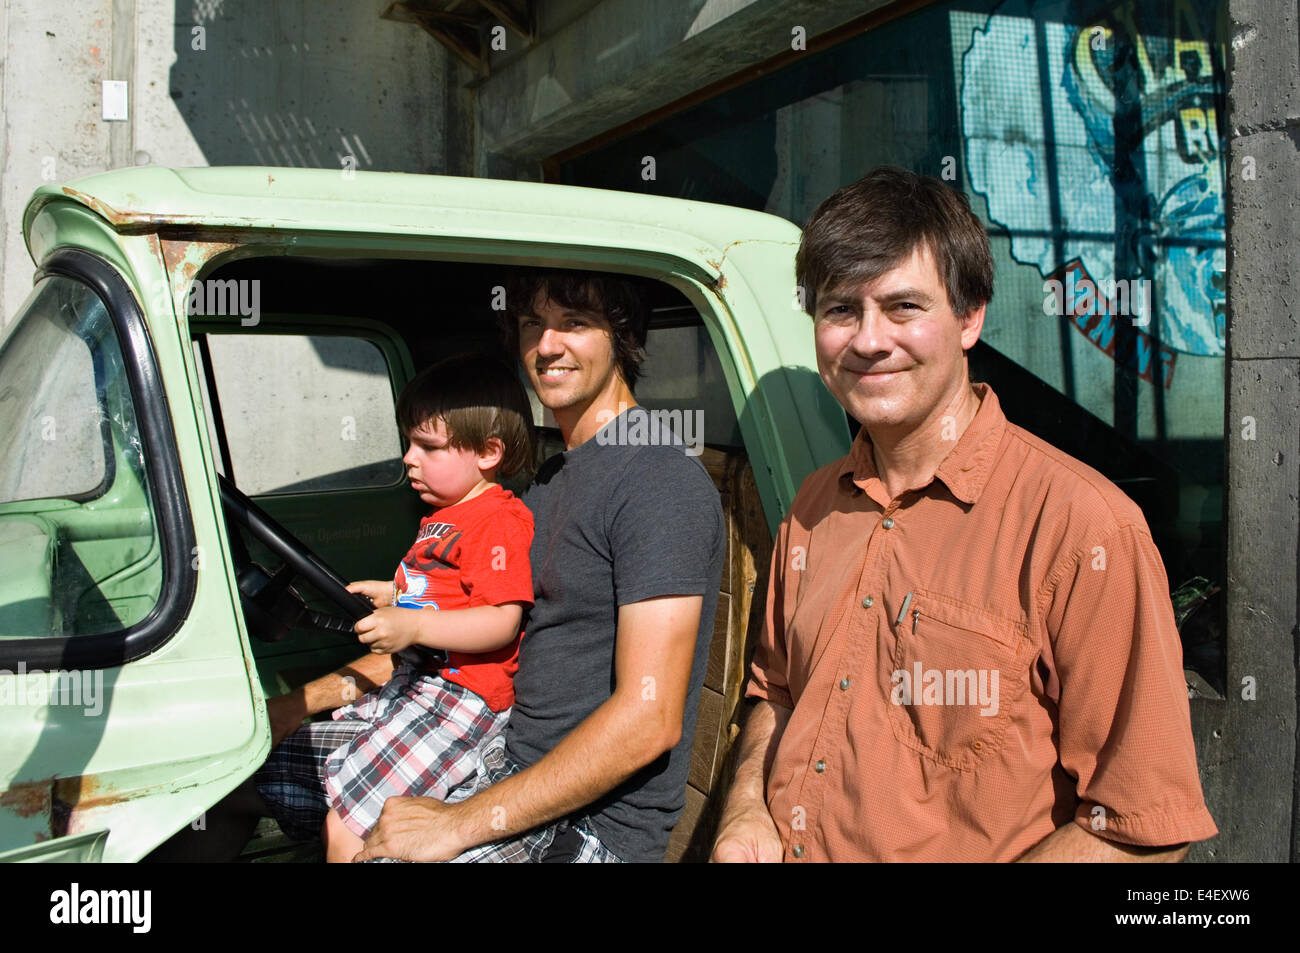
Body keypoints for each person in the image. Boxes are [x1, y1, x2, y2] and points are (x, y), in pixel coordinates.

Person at [710, 166, 1218, 863]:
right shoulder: (812, 505)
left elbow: (1138, 827)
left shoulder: (1083, 527)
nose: (868, 340)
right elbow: (775, 691)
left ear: (970, 316)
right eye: (840, 310)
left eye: (903, 307)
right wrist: (746, 811)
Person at [353, 270, 725, 863]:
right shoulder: (551, 480)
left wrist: (456, 825)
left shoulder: (658, 480)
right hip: (505, 757)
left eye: (574, 323)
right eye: (533, 324)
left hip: (590, 828)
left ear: (621, 336)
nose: (547, 345)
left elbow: (648, 720)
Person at [255, 354, 535, 862]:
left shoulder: (497, 521)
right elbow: (448, 589)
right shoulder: (446, 514)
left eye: (427, 447)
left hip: (458, 703)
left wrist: (413, 624)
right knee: (311, 782)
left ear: (488, 452)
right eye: (409, 443)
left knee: (346, 828)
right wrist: (393, 594)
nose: (409, 458)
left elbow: (500, 620)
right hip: (416, 686)